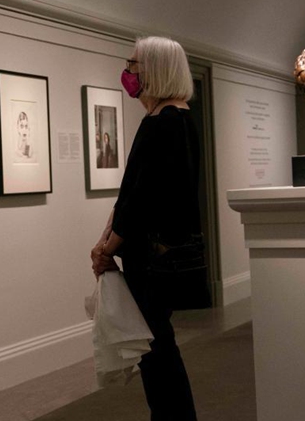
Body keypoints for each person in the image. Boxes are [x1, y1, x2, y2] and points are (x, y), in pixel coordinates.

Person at [91, 36, 200, 420]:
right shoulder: (176, 119)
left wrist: (108, 247)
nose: (128, 72)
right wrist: (108, 238)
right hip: (156, 256)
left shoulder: (165, 123)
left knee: (156, 349)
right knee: (156, 347)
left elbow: (140, 199)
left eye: (134, 64)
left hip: (150, 259)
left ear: (154, 69)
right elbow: (132, 192)